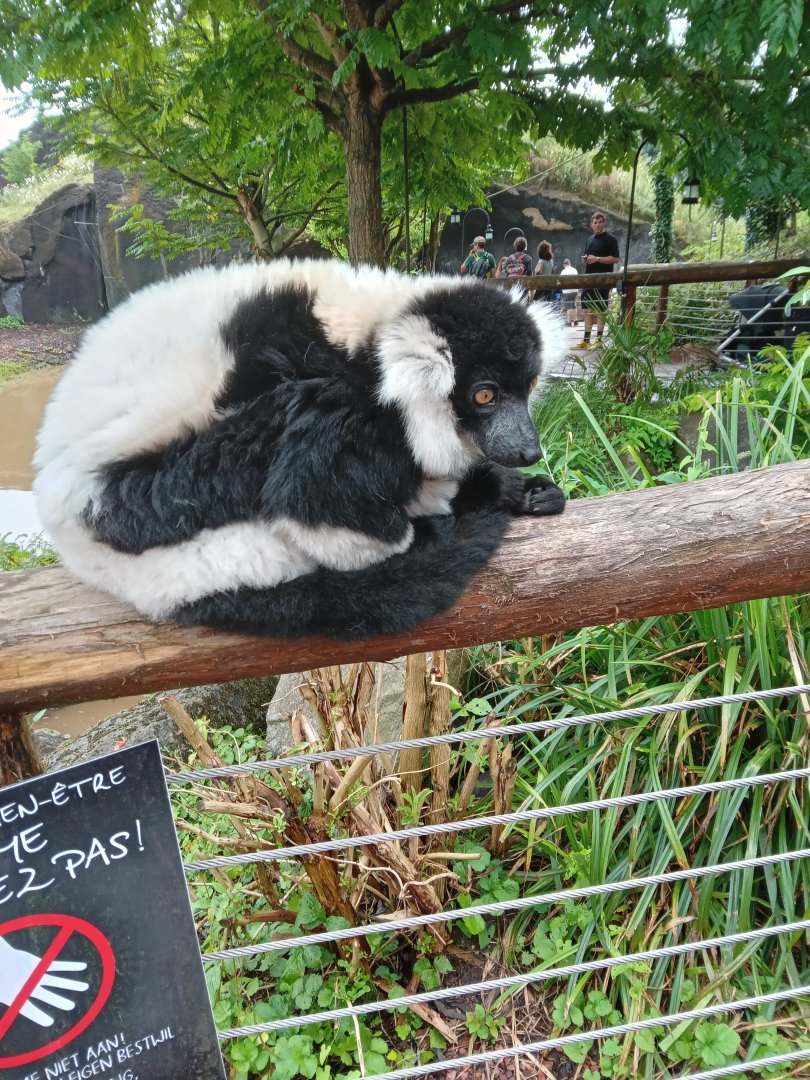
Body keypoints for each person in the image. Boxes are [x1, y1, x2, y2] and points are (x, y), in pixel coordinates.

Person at [575, 212, 620, 349]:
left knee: (600, 310)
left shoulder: (611, 239)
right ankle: (586, 340)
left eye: (600, 222)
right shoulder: (589, 239)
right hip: (588, 279)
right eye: (595, 222)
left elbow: (615, 258)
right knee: (587, 309)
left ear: (603, 223)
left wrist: (597, 259)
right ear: (591, 224)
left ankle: (599, 341)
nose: (597, 224)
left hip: (603, 280)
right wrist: (586, 259)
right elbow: (589, 257)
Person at [559, 258, 579, 326]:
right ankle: (576, 320)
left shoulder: (563, 272)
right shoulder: (574, 270)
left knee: (568, 307)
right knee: (574, 305)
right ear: (570, 263)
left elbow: (560, 281)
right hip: (574, 291)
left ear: (564, 265)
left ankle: (569, 322)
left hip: (566, 291)